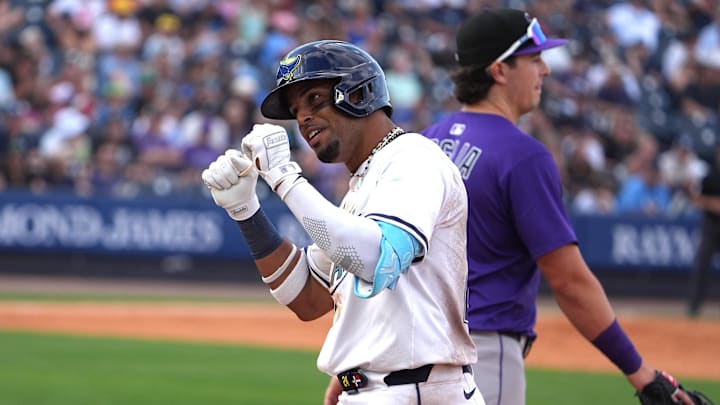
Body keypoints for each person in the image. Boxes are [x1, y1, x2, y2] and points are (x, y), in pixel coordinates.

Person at [422, 8, 701, 405]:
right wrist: (641, 374)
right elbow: (569, 283)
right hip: (481, 353)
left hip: (413, 349)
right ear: (500, 71)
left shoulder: (428, 140)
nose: (546, 70)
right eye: (534, 59)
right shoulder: (522, 155)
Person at [202, 40, 483, 405]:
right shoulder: (360, 192)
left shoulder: (413, 158)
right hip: (384, 390)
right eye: (295, 110)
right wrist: (246, 211)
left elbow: (378, 257)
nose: (302, 118)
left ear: (360, 93)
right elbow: (306, 296)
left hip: (414, 390)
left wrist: (284, 177)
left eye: (315, 99)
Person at [687, 144, 720, 317]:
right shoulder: (710, 177)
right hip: (711, 225)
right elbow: (696, 199)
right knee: (702, 265)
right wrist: (712, 204)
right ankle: (694, 307)